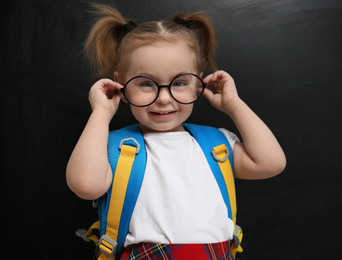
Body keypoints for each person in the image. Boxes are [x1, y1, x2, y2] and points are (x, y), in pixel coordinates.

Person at [66, 3, 286, 260]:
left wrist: (234, 105)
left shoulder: (216, 146)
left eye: (179, 82)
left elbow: (271, 163)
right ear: (121, 85)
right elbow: (85, 186)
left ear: (197, 84)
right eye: (147, 84)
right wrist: (100, 114)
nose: (163, 98)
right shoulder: (113, 146)